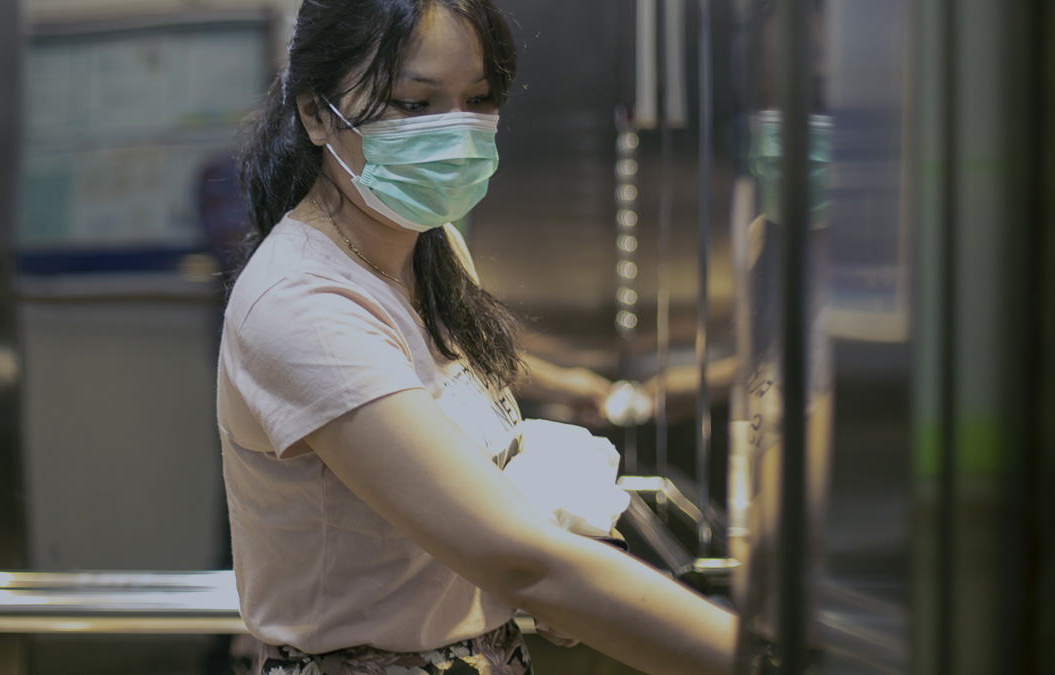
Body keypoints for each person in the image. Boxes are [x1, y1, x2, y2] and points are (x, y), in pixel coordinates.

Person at [216, 1, 738, 673]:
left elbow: (430, 373)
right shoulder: (301, 302)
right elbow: (519, 563)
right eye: (415, 102)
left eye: (478, 100)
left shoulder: (430, 249)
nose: (455, 132)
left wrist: (556, 386)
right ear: (317, 114)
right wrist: (751, 658)